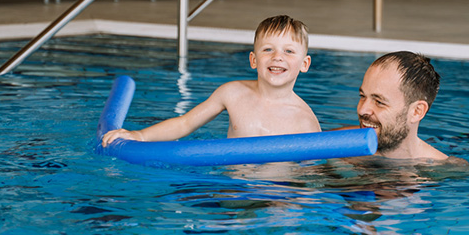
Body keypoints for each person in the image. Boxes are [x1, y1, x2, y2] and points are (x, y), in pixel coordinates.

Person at [102, 15, 319, 146]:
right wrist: (139, 135)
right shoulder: (232, 93)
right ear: (253, 60)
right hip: (232, 188)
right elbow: (185, 123)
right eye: (268, 49)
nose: (277, 57)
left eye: (289, 51)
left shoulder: (305, 122)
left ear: (305, 64)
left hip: (278, 194)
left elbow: (309, 172)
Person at [357, 51, 469, 165]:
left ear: (417, 111)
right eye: (362, 96)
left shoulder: (446, 170)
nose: (362, 110)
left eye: (379, 102)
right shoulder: (343, 147)